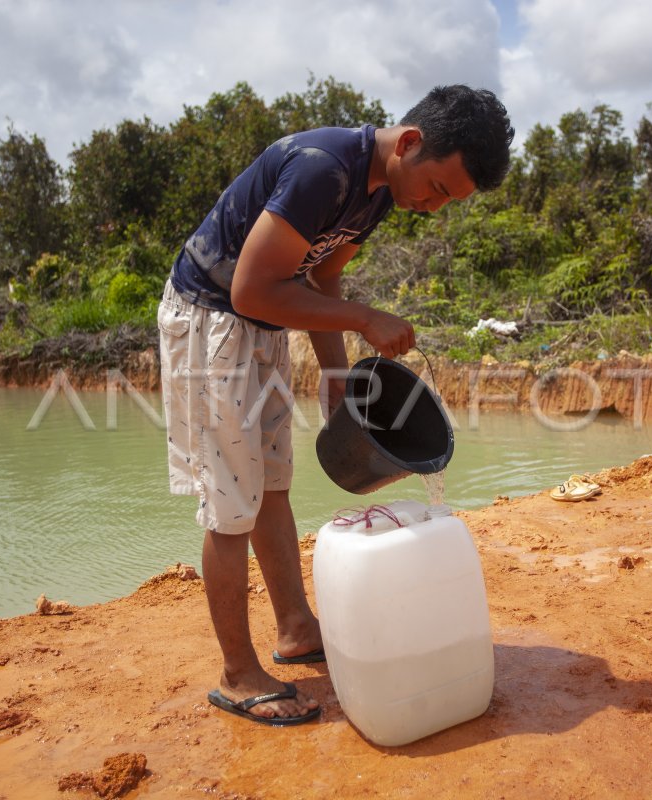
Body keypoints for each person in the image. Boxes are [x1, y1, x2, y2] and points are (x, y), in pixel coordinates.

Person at [157, 86, 514, 726]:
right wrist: (365, 319)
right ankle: (237, 674)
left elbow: (320, 279)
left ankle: (295, 628)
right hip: (209, 319)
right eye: (436, 188)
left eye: (447, 202)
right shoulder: (324, 168)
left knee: (270, 481)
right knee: (231, 500)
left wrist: (338, 380)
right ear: (409, 143)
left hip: (260, 323)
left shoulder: (379, 192)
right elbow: (252, 285)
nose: (431, 208)